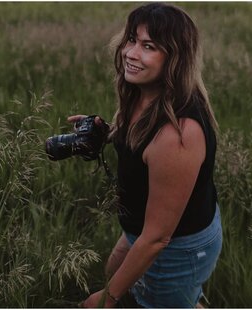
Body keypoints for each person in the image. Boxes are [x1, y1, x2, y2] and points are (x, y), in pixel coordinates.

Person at [69, 2, 222, 308]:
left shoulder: (178, 134)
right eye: (131, 40)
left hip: (177, 249)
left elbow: (156, 238)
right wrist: (107, 133)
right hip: (146, 228)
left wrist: (106, 299)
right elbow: (144, 145)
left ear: (175, 58)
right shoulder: (145, 94)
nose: (130, 53)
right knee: (114, 268)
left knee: (151, 298)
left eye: (148, 46)